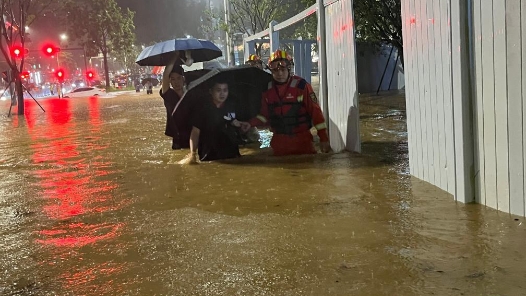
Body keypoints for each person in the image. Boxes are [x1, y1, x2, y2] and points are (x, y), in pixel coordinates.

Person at [242, 49, 332, 156]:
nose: (280, 74)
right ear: (271, 71)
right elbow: (264, 116)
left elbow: (316, 113)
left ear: (289, 69)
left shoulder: (302, 86)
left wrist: (324, 138)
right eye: (276, 71)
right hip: (279, 144)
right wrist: (249, 124)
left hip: (302, 142)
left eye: (283, 70)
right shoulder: (267, 90)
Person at [179, 78, 246, 164]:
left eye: (225, 90)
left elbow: (237, 127)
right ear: (211, 91)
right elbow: (195, 132)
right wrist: (192, 153)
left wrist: (241, 127)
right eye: (218, 90)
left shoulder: (232, 105)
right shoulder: (202, 109)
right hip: (209, 155)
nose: (222, 94)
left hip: (231, 153)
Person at [160, 54, 191, 149]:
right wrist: (174, 57)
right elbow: (165, 75)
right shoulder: (169, 95)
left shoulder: (190, 94)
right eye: (173, 79)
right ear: (170, 82)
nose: (176, 82)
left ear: (183, 79)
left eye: (178, 78)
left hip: (192, 137)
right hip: (177, 139)